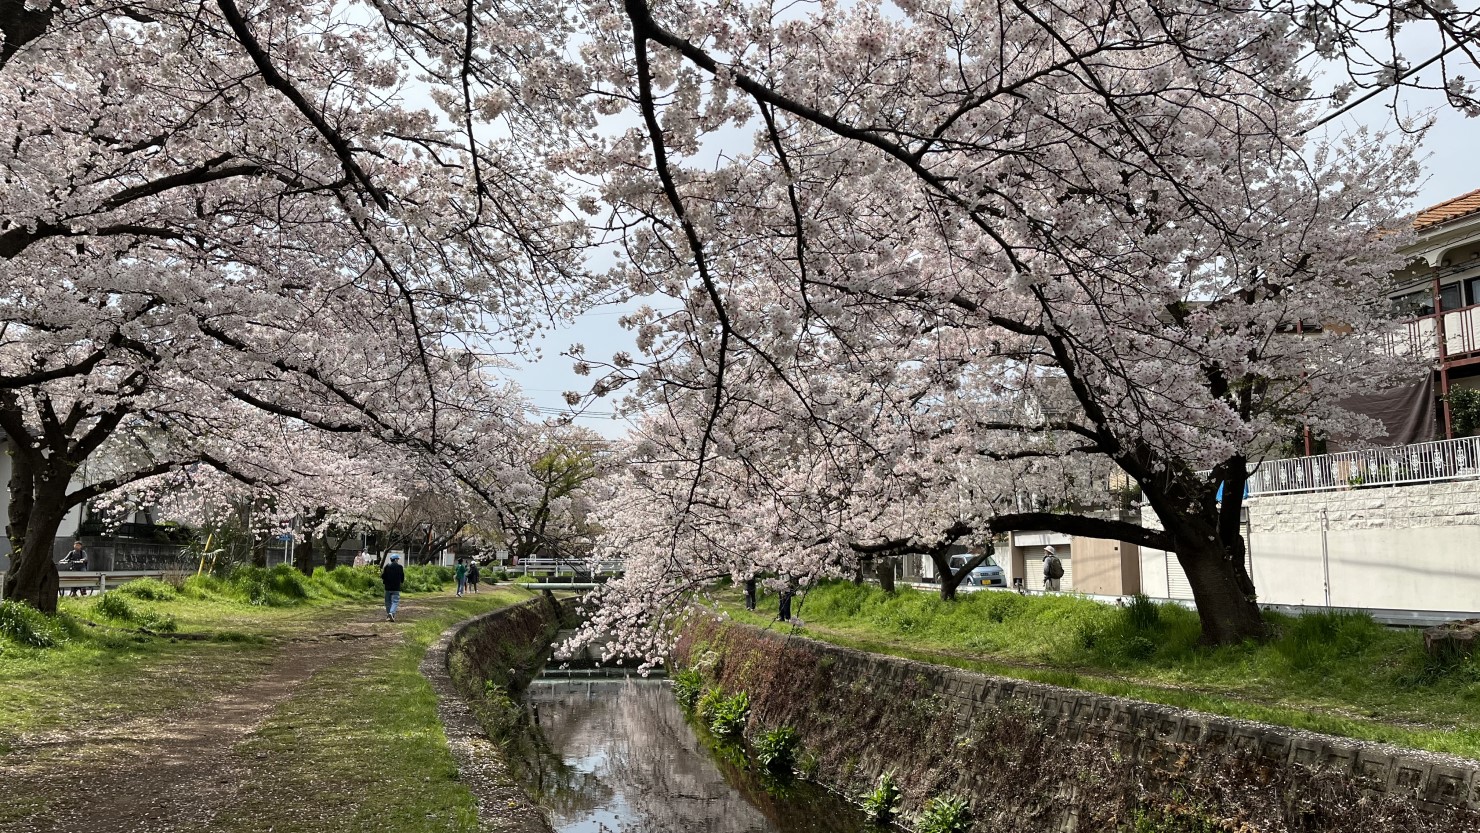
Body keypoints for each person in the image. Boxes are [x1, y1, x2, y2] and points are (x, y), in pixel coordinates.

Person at [382, 554, 405, 621]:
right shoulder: (400, 567)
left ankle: (389, 614)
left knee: (387, 601)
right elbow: (402, 577)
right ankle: (391, 613)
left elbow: (383, 576)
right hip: (396, 587)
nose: (398, 560)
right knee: (395, 601)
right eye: (397, 559)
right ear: (395, 559)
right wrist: (401, 581)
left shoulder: (387, 566)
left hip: (387, 587)